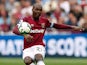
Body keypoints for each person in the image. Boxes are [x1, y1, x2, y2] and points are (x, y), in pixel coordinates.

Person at [13, 4, 84, 65]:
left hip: (39, 46)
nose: (38, 11)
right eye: (36, 9)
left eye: (40, 10)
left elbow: (56, 26)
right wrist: (25, 35)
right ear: (32, 10)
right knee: (27, 61)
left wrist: (72, 27)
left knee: (38, 57)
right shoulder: (25, 20)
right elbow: (15, 30)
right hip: (27, 48)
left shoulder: (44, 21)